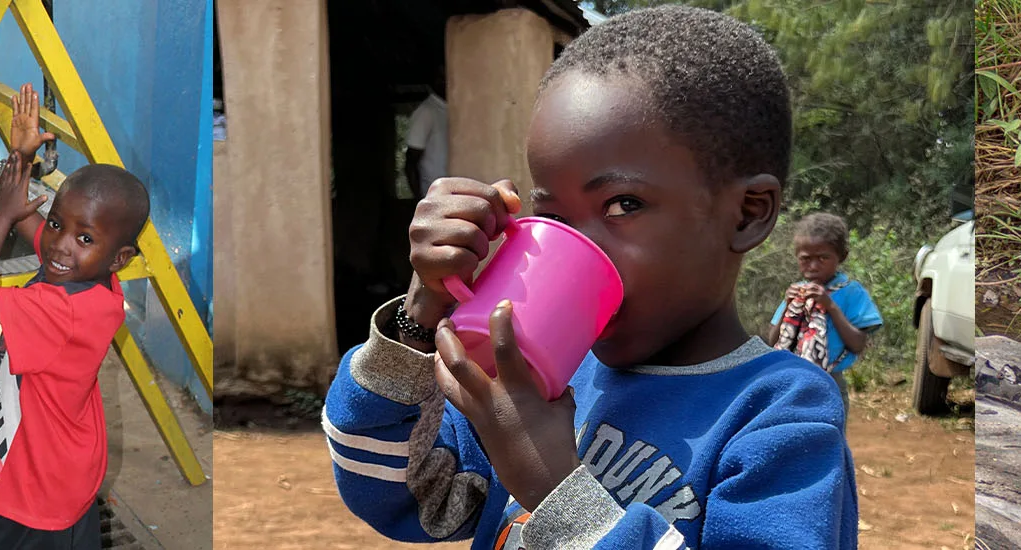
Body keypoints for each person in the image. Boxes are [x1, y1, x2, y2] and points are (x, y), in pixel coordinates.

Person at [324, 6, 858, 549]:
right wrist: (420, 317)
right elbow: (403, 496)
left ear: (747, 213)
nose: (577, 248)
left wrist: (556, 488)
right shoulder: (533, 376)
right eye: (552, 217)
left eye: (623, 204)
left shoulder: (779, 414)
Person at [0, 84, 150, 550]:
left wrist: (0, 218)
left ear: (120, 257)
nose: (60, 244)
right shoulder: (93, 281)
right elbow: (33, 224)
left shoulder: (62, 309)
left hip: (40, 484)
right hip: (49, 466)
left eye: (84, 239)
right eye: (60, 223)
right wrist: (19, 158)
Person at [765, 212, 884, 410]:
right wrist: (787, 305)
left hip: (831, 381)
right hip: (790, 380)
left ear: (841, 256)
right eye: (805, 258)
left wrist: (830, 306)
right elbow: (772, 341)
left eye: (823, 258)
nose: (813, 266)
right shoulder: (796, 292)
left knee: (829, 436)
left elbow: (858, 344)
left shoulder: (851, 292)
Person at [405, 75, 449, 198]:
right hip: (435, 196)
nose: (447, 80)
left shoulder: (454, 109)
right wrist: (420, 200)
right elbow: (411, 161)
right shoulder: (426, 111)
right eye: (441, 77)